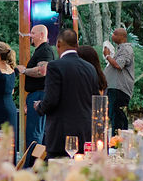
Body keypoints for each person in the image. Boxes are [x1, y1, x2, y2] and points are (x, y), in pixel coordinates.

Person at [34, 29, 98, 158]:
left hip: (62, 133)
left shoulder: (55, 66)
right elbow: (95, 99)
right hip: (85, 131)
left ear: (58, 44)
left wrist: (39, 107)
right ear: (77, 45)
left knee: (57, 173)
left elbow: (51, 99)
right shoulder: (90, 67)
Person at [16, 25, 57, 154]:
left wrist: (24, 70)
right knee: (38, 131)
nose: (30, 36)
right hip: (37, 94)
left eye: (33, 33)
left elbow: (43, 70)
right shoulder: (41, 50)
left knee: (34, 133)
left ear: (41, 35)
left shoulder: (45, 50)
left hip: (39, 95)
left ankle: (33, 164)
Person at [104, 27, 134, 131]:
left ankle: (118, 143)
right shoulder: (120, 49)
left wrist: (107, 56)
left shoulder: (126, 49)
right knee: (114, 116)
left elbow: (118, 65)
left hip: (120, 88)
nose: (113, 36)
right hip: (114, 87)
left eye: (115, 34)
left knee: (118, 118)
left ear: (122, 37)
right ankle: (117, 141)